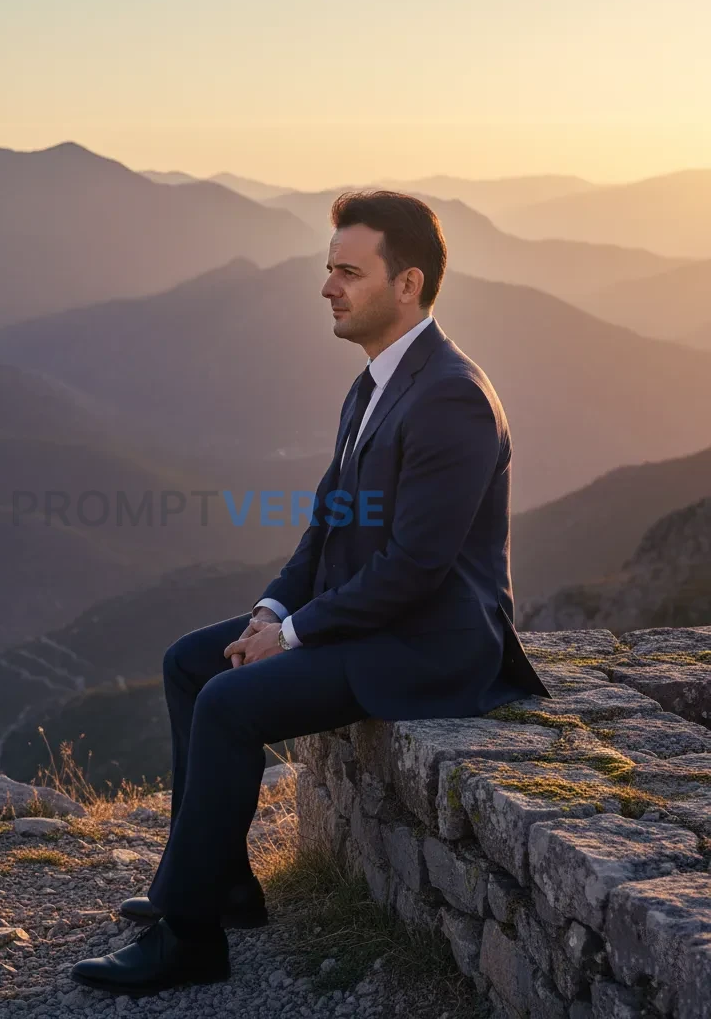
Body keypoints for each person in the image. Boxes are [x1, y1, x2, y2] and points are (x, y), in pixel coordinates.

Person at [70, 190, 549, 996]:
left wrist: (290, 641)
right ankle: (219, 886)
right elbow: (328, 527)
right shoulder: (373, 386)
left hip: (430, 642)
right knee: (192, 663)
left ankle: (190, 942)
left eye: (348, 272)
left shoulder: (452, 396)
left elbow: (415, 568)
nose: (328, 287)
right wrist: (272, 610)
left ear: (408, 284)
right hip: (372, 617)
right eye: (328, 270)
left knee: (231, 700)